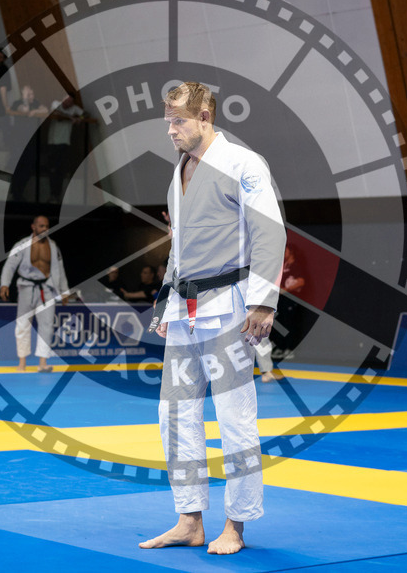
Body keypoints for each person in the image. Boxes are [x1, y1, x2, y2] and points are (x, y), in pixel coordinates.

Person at [139, 82, 285, 556]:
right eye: (168, 121)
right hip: (186, 310)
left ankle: (236, 525)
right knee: (174, 416)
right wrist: (166, 300)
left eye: (179, 120)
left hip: (229, 306)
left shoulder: (243, 163)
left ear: (205, 116)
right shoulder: (179, 171)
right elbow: (179, 249)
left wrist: (264, 301)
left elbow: (270, 232)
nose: (171, 130)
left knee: (234, 418)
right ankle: (189, 520)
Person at [0, 215, 70, 372]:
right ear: (33, 227)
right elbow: (10, 265)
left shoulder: (53, 246)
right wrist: (5, 284)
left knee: (47, 326)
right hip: (26, 287)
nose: (45, 229)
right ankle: (22, 362)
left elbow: (60, 269)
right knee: (23, 324)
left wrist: (64, 291)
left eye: (47, 226)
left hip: (47, 289)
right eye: (41, 226)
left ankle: (42, 363)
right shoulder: (22, 245)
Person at [255, 244, 306, 382]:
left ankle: (267, 371)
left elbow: (300, 280)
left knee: (261, 337)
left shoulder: (275, 264)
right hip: (243, 302)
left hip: (259, 302)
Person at [44, 94, 84, 202]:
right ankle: (52, 193)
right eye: (67, 100)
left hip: (64, 142)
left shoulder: (75, 109)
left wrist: (79, 119)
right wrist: (70, 117)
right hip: (53, 142)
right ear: (63, 99)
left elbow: (84, 115)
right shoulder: (56, 104)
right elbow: (55, 112)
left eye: (70, 101)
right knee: (52, 169)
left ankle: (57, 195)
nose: (68, 103)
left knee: (60, 169)